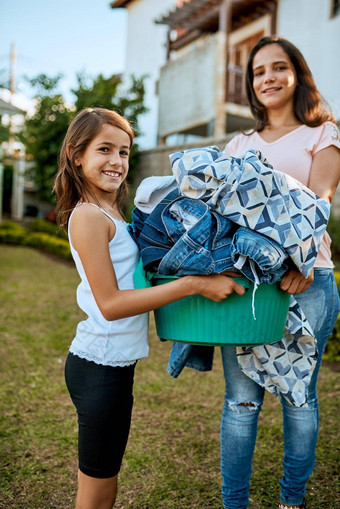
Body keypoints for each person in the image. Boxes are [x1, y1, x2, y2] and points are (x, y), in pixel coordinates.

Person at [53, 107, 246, 509]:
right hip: (99, 367)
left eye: (123, 152)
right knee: (97, 487)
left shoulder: (110, 213)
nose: (116, 162)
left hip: (114, 365)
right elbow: (110, 304)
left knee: (103, 474)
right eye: (104, 149)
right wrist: (193, 284)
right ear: (76, 154)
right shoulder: (88, 217)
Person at [220, 36, 340, 509]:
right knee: (240, 402)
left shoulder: (323, 134)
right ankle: (235, 503)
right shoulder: (238, 143)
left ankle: (292, 499)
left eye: (277, 68)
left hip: (308, 282)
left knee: (299, 399)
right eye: (257, 71)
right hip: (249, 287)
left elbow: (320, 203)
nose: (267, 78)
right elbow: (223, 215)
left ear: (297, 75)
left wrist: (302, 263)